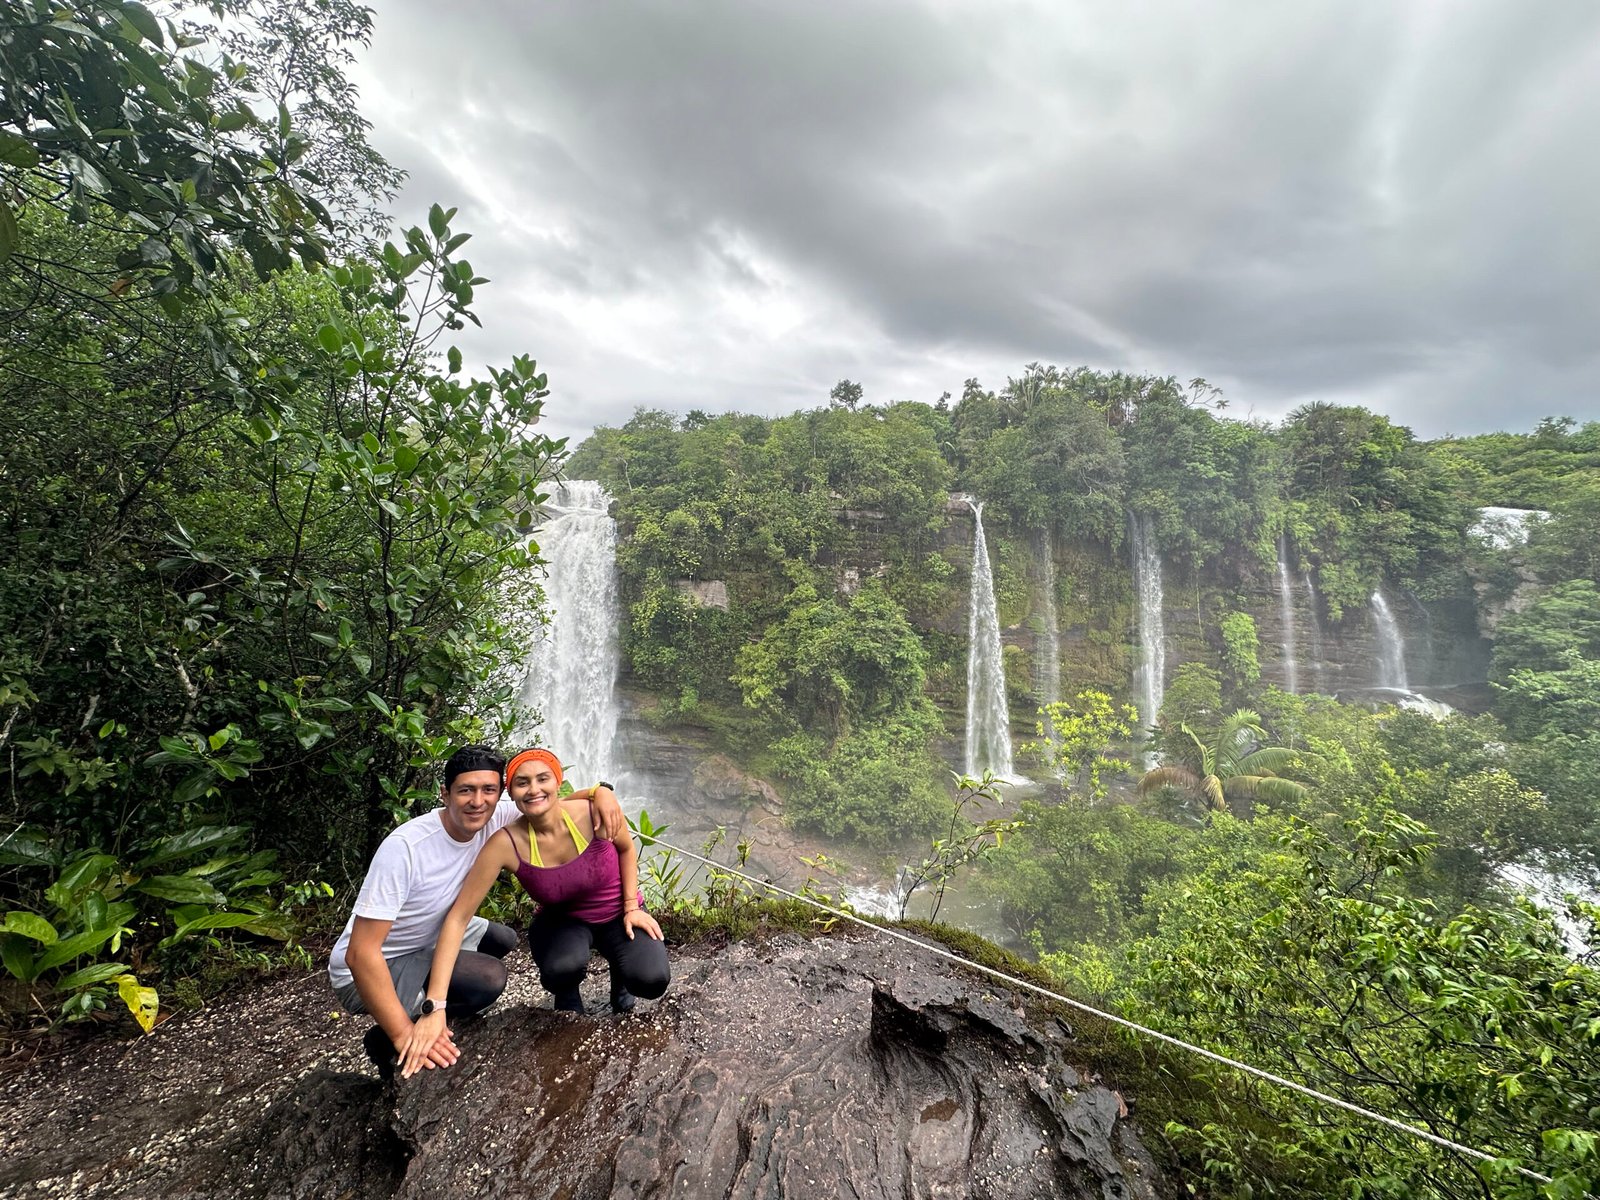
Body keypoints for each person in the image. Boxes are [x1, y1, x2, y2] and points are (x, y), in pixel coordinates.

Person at [327, 743, 625, 1077]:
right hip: (369, 966)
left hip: (425, 937)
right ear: (445, 793)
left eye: (488, 790)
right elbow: (360, 954)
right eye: (465, 791)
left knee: (502, 938)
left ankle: (434, 1003)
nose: (477, 801)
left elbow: (555, 805)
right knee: (488, 979)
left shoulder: (494, 816)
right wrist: (410, 1028)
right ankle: (387, 1038)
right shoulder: (405, 849)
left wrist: (601, 793)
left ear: (500, 794)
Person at [400, 747, 669, 1078]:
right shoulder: (504, 842)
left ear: (559, 782)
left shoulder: (592, 811)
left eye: (543, 779)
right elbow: (457, 918)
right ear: (509, 793)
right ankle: (568, 997)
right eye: (522, 783)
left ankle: (621, 982)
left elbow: (626, 849)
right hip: (563, 921)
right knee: (561, 969)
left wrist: (632, 906)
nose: (534, 789)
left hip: (618, 912)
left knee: (652, 980)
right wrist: (435, 1006)